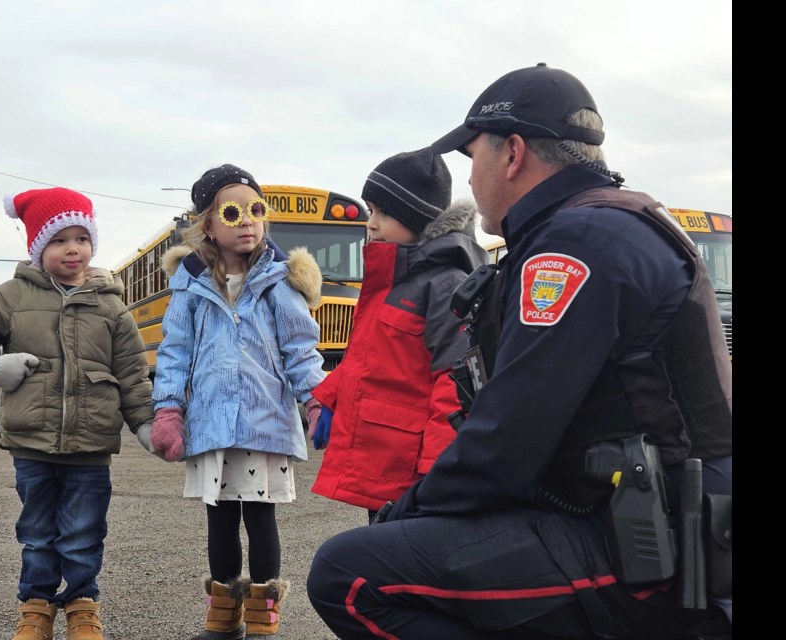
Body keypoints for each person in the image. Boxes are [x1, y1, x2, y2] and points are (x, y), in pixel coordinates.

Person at [306, 63, 733, 640]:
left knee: (348, 574)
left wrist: (403, 511)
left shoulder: (572, 244)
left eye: (472, 157)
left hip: (649, 555)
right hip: (665, 529)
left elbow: (507, 438)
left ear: (510, 153)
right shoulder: (615, 222)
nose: (471, 176)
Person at [0, 187, 155, 640]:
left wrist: (144, 422)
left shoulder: (111, 306)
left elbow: (132, 371)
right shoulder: (11, 295)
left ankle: (82, 604)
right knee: (38, 531)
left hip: (91, 446)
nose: (72, 249)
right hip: (32, 443)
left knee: (84, 532)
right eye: (60, 239)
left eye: (81, 238)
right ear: (39, 246)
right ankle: (36, 605)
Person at [147, 164, 327, 640]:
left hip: (264, 424)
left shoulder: (279, 282)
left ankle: (264, 617)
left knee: (261, 518)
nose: (247, 220)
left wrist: (316, 401)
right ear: (207, 223)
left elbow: (300, 350)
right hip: (210, 425)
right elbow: (174, 353)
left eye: (256, 209)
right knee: (220, 518)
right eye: (232, 211)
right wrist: (167, 409)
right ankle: (223, 615)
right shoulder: (189, 286)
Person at [309, 148, 488, 522]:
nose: (371, 224)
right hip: (387, 458)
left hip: (411, 468)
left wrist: (437, 469)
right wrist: (328, 396)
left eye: (383, 213)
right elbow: (367, 358)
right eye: (371, 211)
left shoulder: (445, 285)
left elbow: (454, 381)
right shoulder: (394, 281)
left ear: (417, 219)